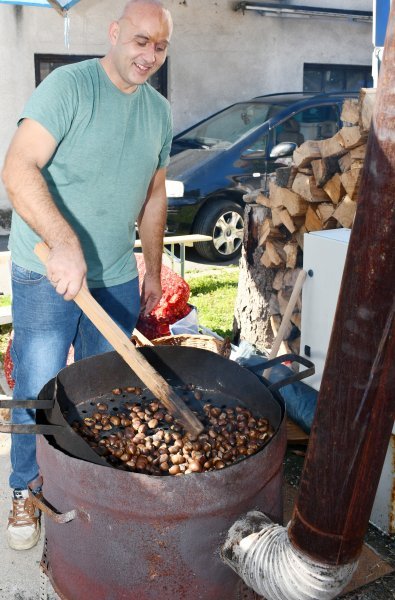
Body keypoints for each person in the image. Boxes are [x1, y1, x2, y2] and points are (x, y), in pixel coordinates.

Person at [1, 0, 173, 550]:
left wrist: (151, 266)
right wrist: (65, 242)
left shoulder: (159, 112)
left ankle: (92, 484)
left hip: (117, 277)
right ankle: (24, 489)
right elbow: (17, 168)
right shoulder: (68, 87)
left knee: (106, 393)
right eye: (141, 40)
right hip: (44, 271)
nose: (149, 54)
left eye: (160, 46)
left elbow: (153, 195)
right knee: (39, 386)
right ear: (115, 32)